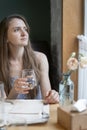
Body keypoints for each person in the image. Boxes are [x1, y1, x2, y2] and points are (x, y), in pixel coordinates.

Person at [0, 14, 59, 104]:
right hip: (11, 116)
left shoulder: (40, 59)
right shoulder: (1, 63)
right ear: (5, 38)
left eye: (25, 29)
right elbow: (3, 106)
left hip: (37, 115)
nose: (24, 34)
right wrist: (14, 91)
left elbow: (46, 98)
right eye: (16, 30)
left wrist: (53, 96)